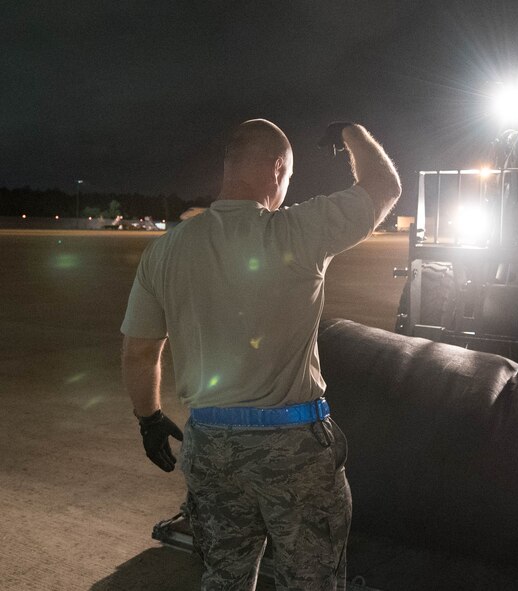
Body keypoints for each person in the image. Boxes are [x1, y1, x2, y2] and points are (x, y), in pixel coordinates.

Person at [121, 119, 401, 590]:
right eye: (289, 176)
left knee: (223, 579)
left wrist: (148, 418)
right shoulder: (299, 231)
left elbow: (140, 350)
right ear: (277, 169)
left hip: (210, 447)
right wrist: (352, 133)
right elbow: (384, 188)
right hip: (293, 448)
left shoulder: (165, 251)